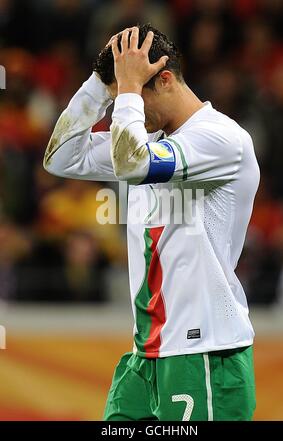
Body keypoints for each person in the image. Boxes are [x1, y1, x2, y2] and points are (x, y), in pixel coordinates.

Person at [43, 24, 260, 421]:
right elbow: (61, 157)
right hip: (145, 356)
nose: (129, 111)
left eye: (135, 96)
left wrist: (126, 92)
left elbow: (132, 164)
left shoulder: (221, 138)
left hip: (204, 354)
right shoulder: (147, 137)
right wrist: (99, 85)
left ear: (163, 79)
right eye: (120, 98)